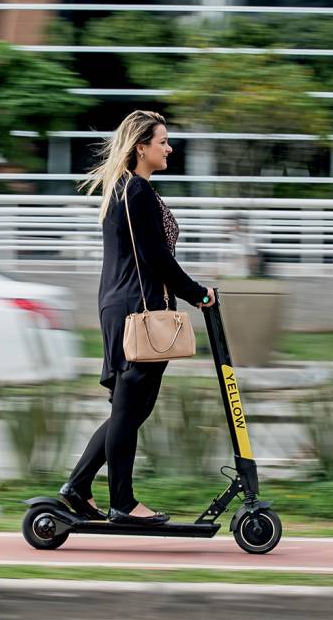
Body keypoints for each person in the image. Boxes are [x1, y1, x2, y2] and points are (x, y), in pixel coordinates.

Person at [60, 110, 215, 526]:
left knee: (128, 410)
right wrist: (197, 293)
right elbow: (155, 257)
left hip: (122, 306)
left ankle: (78, 486)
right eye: (162, 141)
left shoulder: (124, 188)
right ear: (141, 147)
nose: (170, 148)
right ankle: (123, 503)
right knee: (130, 410)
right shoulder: (137, 190)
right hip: (138, 310)